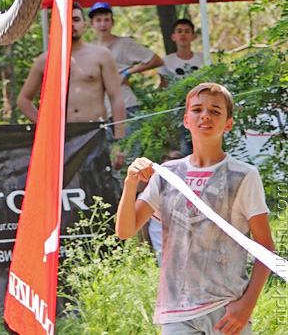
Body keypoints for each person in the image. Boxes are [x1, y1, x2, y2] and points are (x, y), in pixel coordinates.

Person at [116, 83, 275, 335]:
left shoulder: (243, 175)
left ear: (228, 123)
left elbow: (265, 247)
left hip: (226, 308)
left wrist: (246, 305)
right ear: (186, 120)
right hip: (176, 312)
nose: (205, 115)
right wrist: (130, 182)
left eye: (215, 110)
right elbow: (125, 230)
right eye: (197, 109)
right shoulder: (166, 174)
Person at [16, 2, 127, 168]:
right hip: (61, 139)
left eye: (76, 19)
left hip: (96, 134)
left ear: (85, 24)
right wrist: (46, 127)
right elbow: (23, 100)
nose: (72, 24)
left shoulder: (101, 55)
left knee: (103, 187)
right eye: (67, 19)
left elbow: (116, 98)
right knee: (65, 190)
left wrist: (120, 141)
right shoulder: (45, 60)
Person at [88, 1, 163, 124]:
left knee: (129, 143)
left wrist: (127, 73)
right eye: (98, 20)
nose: (103, 24)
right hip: (100, 111)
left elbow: (156, 60)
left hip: (125, 105)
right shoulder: (89, 49)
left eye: (106, 20)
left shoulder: (125, 44)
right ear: (91, 24)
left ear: (113, 23)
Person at [159, 18, 204, 89]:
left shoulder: (203, 58)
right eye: (179, 31)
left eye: (187, 31)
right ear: (173, 37)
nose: (183, 34)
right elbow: (163, 89)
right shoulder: (166, 61)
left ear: (193, 36)